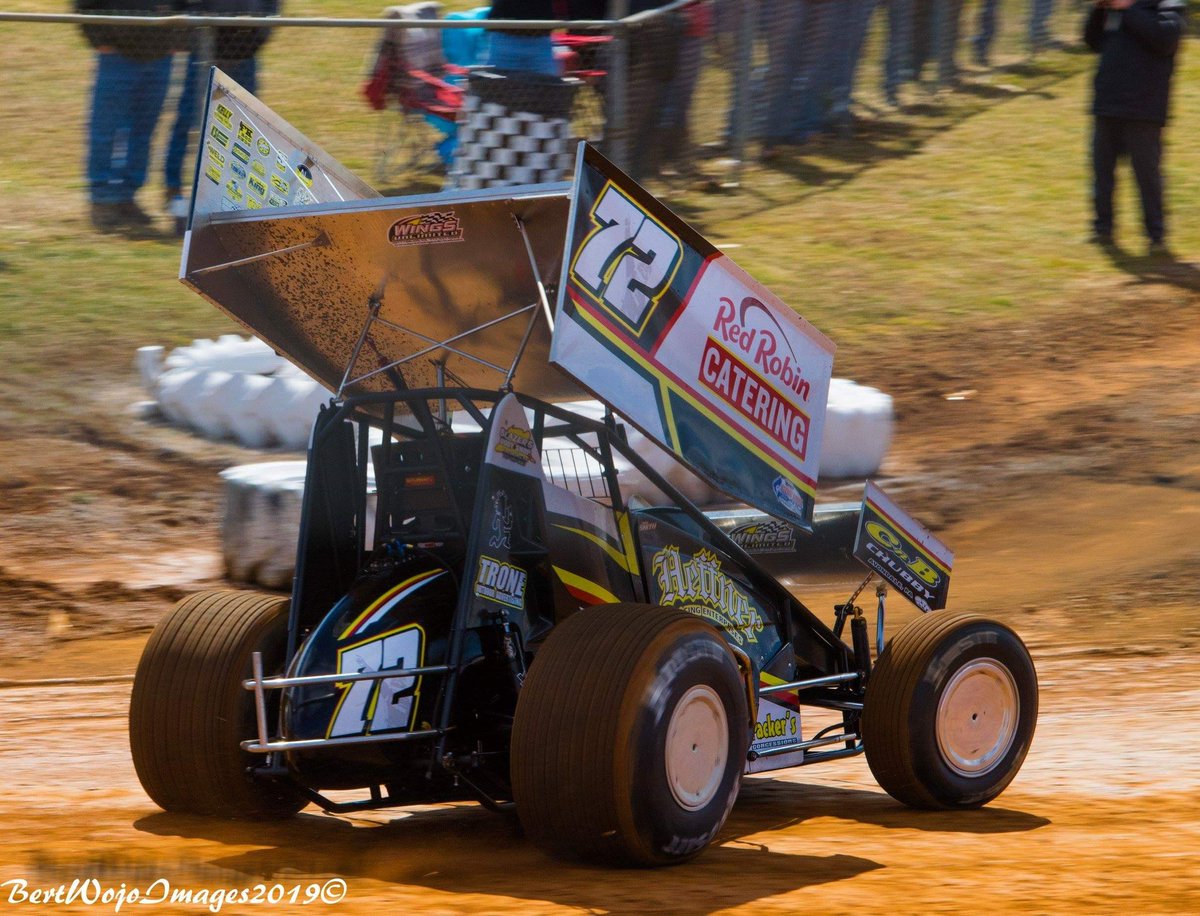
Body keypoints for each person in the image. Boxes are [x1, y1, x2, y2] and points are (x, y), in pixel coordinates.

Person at [163, 0, 279, 233]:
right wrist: (198, 31)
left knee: (245, 127)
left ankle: (234, 195)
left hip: (245, 52)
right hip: (203, 48)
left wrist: (258, 35)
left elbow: (270, 8)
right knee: (189, 120)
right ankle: (174, 190)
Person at [1084, 0, 1186, 254]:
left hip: (1144, 109)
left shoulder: (1167, 5)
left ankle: (1156, 236)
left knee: (1147, 176)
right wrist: (1099, 9)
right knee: (1102, 172)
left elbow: (1165, 40)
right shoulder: (1113, 10)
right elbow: (1092, 41)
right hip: (1107, 104)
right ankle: (1102, 229)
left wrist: (1128, 9)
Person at [77, 0, 186, 233]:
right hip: (116, 56)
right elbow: (84, 4)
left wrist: (176, 40)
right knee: (106, 129)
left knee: (144, 131)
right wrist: (100, 41)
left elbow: (185, 5)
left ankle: (127, 196)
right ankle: (102, 199)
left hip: (159, 57)